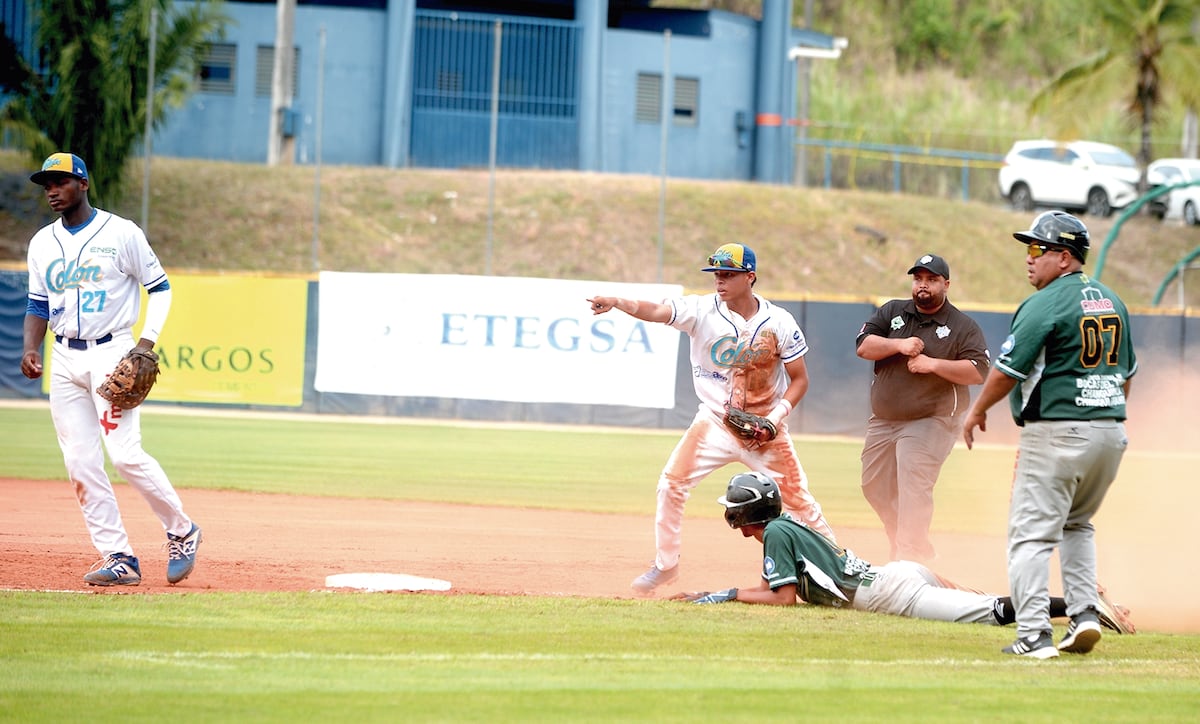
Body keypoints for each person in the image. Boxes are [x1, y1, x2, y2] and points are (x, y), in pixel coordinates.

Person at [588, 242, 835, 594]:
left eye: (729, 274)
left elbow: (800, 379)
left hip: (765, 430)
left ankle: (838, 564)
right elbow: (657, 310)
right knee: (671, 484)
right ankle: (666, 566)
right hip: (716, 423)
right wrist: (617, 301)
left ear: (750, 277)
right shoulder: (701, 310)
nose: (720, 280)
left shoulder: (779, 321)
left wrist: (775, 419)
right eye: (717, 273)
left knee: (801, 503)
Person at [674, 472, 1135, 646]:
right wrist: (721, 594)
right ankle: (1085, 602)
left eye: (733, 508)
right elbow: (779, 589)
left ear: (744, 515)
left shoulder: (775, 533)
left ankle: (1083, 605)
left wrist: (725, 595)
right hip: (894, 574)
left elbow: (783, 599)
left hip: (889, 594)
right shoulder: (786, 524)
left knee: (992, 612)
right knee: (981, 600)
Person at [20, 152, 202, 587]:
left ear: (83, 184)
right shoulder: (42, 243)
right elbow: (37, 304)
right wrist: (30, 347)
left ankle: (182, 531)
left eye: (61, 182)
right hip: (64, 358)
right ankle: (118, 556)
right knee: (80, 463)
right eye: (47, 184)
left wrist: (145, 343)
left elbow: (160, 289)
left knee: (124, 454)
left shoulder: (121, 233)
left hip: (112, 353)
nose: (52, 191)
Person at [963, 211, 1137, 659]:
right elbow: (1127, 375)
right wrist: (1104, 415)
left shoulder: (1045, 303)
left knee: (1030, 535)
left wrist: (976, 411)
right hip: (1110, 432)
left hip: (1058, 430)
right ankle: (1084, 616)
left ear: (1064, 257)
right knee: (1077, 524)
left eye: (1037, 248)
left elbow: (1008, 370)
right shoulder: (1112, 300)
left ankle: (1035, 635)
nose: (1029, 257)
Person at [855, 254, 989, 562]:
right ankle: (909, 541)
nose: (923, 285)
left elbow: (978, 371)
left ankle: (909, 557)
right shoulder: (892, 311)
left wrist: (933, 364)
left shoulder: (962, 326)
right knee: (873, 485)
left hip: (933, 419)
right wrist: (898, 345)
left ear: (946, 284)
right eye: (918, 279)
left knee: (913, 483)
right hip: (884, 419)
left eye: (931, 280)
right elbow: (863, 346)